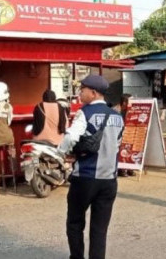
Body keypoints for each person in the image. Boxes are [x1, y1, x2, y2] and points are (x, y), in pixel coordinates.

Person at [58, 75, 124, 259]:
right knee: (99, 230)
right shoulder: (118, 117)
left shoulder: (85, 113)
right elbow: (117, 144)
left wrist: (64, 152)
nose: (80, 93)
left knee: (75, 223)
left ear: (93, 93)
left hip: (85, 179)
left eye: (83, 89)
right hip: (109, 181)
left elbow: (71, 138)